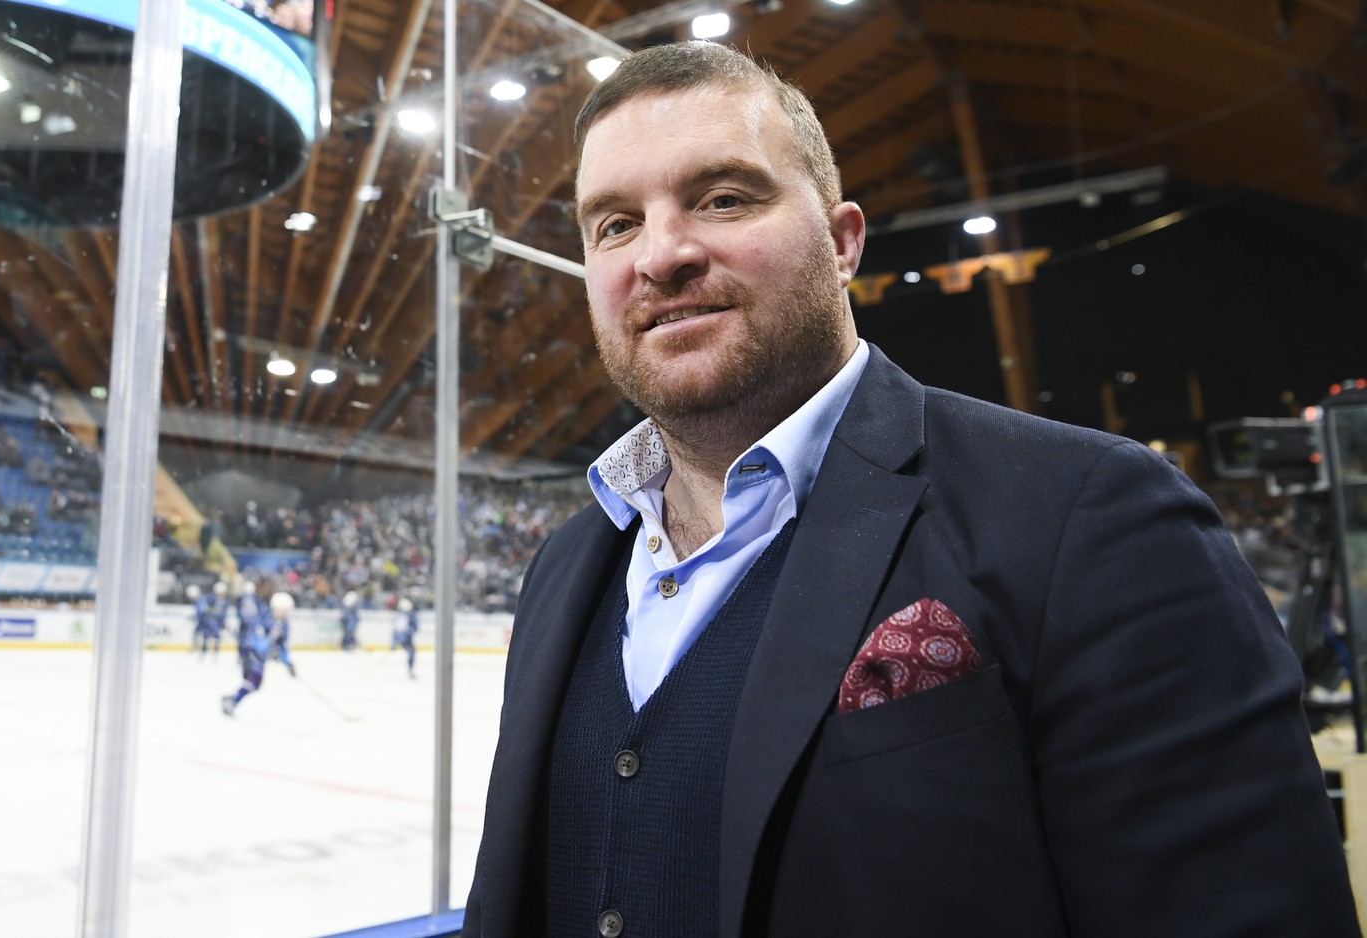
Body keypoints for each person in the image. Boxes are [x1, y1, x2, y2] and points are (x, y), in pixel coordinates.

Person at [462, 41, 1359, 938]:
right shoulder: (567, 565)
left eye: (723, 198)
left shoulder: (1094, 515)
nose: (661, 255)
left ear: (844, 241)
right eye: (614, 224)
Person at [191, 581, 230, 661]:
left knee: (216, 637)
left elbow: (224, 613)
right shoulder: (210, 598)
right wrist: (206, 610)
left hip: (217, 622)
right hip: (208, 621)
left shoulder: (225, 602)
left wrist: (222, 621)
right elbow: (202, 606)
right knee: (205, 636)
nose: (221, 594)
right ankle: (203, 652)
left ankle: (215, 653)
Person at [392, 598, 418, 679]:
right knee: (411, 653)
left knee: (411, 653)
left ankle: (410, 669)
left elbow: (414, 627)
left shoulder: (406, 616)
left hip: (405, 638)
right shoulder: (404, 616)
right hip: (405, 639)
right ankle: (410, 669)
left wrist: (396, 640)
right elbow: (397, 629)